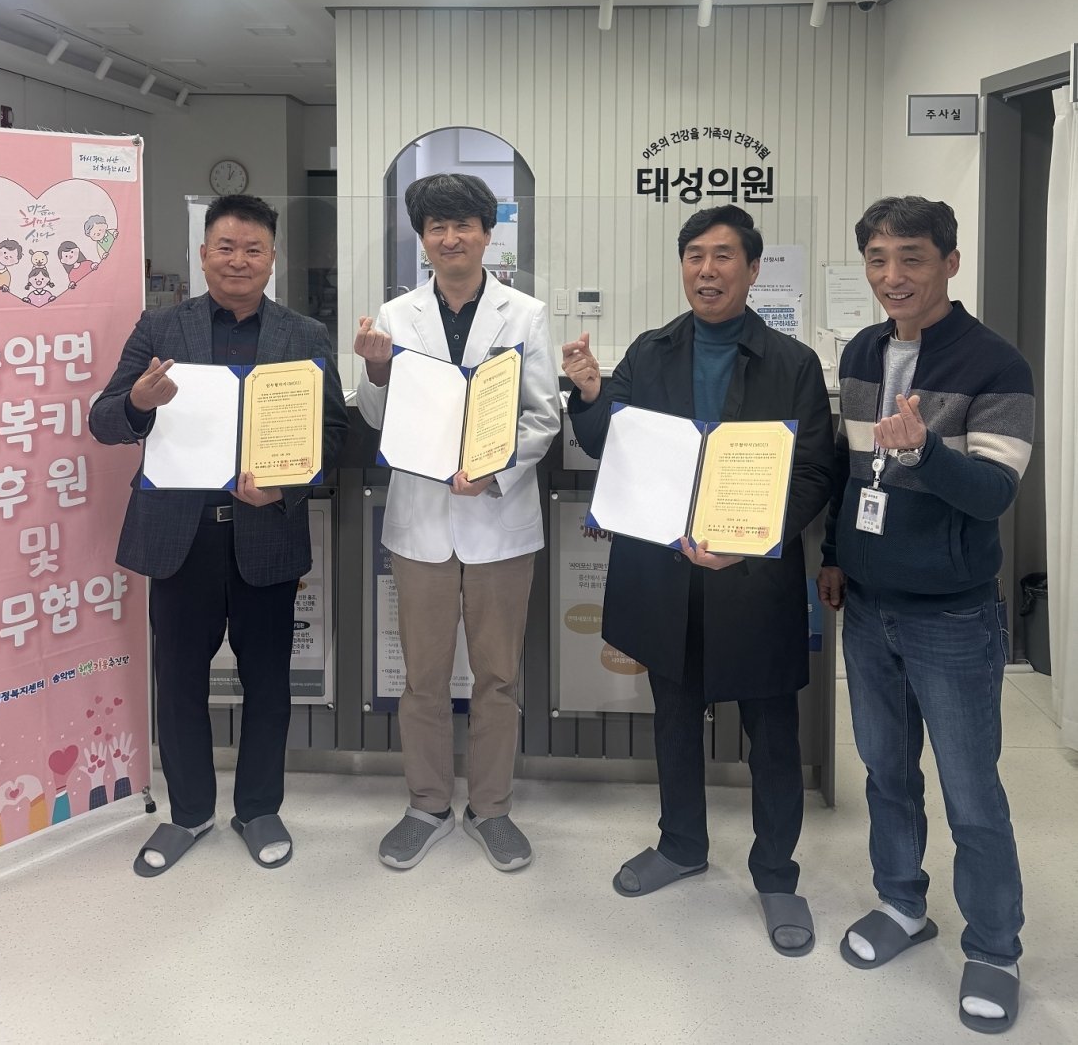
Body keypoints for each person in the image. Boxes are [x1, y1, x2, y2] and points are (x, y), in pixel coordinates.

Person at [563, 204, 834, 955]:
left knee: (771, 732)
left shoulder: (792, 363)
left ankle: (775, 874)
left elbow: (815, 471)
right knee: (675, 717)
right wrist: (590, 393)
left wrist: (747, 541)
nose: (706, 271)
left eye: (722, 257)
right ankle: (681, 844)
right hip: (666, 572)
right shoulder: (650, 351)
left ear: (752, 269)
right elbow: (608, 443)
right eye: (694, 257)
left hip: (753, 577)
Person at [817, 197, 1034, 1034]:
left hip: (950, 616)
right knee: (885, 774)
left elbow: (992, 494)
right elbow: (849, 475)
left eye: (910, 257)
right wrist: (834, 555)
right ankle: (902, 905)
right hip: (868, 605)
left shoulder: (995, 364)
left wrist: (924, 451)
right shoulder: (860, 352)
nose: (892, 276)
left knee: (970, 792)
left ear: (949, 261)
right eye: (876, 259)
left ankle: (994, 948)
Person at [90, 194, 347, 878]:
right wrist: (139, 402)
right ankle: (189, 813)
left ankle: (258, 808)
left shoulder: (303, 335)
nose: (238, 260)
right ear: (202, 254)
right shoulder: (160, 328)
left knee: (268, 682)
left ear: (272, 259)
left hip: (265, 533)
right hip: (181, 538)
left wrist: (285, 488)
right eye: (225, 248)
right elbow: (103, 420)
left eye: (252, 249)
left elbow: (332, 435)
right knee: (178, 680)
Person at [355, 173, 559, 872]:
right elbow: (378, 421)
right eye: (436, 227)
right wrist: (375, 374)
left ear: (486, 232)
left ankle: (492, 808)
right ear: (422, 238)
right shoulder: (394, 315)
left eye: (463, 225)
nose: (450, 238)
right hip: (421, 523)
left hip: (498, 515)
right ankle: (428, 804)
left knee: (498, 677)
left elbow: (542, 415)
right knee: (423, 677)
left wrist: (495, 471)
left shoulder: (524, 314)